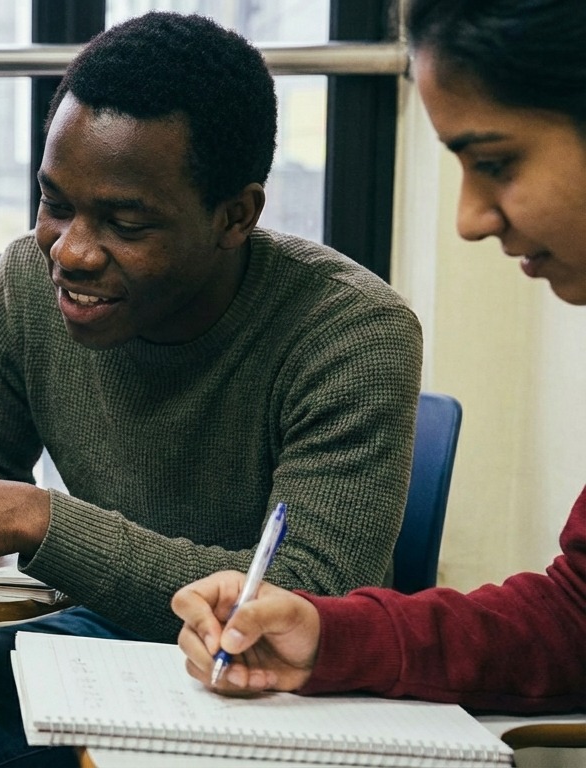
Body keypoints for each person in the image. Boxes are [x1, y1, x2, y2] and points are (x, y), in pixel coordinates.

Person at [0, 11, 425, 767]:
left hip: (272, 684)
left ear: (236, 217)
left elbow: (305, 601)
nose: (72, 252)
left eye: (124, 221)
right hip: (101, 640)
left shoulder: (353, 333)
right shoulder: (28, 280)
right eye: (56, 203)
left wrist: (37, 521)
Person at [172, 0, 586, 715]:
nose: (468, 219)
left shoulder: (352, 327)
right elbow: (575, 621)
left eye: (496, 162)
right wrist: (329, 635)